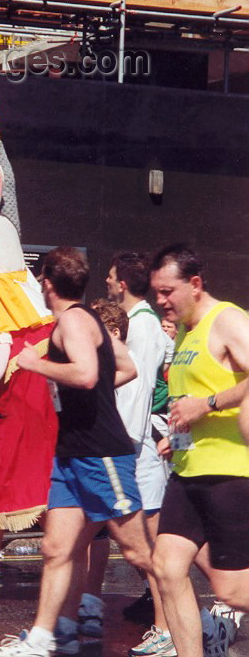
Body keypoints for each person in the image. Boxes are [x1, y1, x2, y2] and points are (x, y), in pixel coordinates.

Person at [0, 247, 157, 657]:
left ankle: (182, 622)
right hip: (72, 453)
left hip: (100, 453)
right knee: (57, 549)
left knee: (138, 551)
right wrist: (92, 391)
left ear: (47, 283)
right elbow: (126, 368)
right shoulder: (88, 319)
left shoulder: (74, 321)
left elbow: (85, 373)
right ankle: (48, 636)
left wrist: (34, 364)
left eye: (40, 280)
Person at [150, 243, 249, 657]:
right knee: (166, 568)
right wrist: (175, 437)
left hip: (229, 471)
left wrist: (205, 405)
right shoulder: (188, 331)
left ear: (194, 284)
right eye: (156, 292)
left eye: (167, 291)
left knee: (232, 590)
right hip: (189, 470)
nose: (160, 301)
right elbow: (192, 396)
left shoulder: (227, 320)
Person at [86, 299, 173, 655]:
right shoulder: (112, 365)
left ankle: (175, 625)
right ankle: (83, 609)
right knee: (82, 541)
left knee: (153, 555)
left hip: (136, 466)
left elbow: (128, 425)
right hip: (118, 463)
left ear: (116, 332)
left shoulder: (131, 367)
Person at [106, 252, 171, 624]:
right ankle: (162, 606)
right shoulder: (137, 322)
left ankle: (184, 620)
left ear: (123, 283)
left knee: (148, 543)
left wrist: (121, 439)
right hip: (129, 443)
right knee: (137, 543)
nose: (108, 282)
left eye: (111, 276)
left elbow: (137, 386)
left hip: (132, 446)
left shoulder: (143, 326)